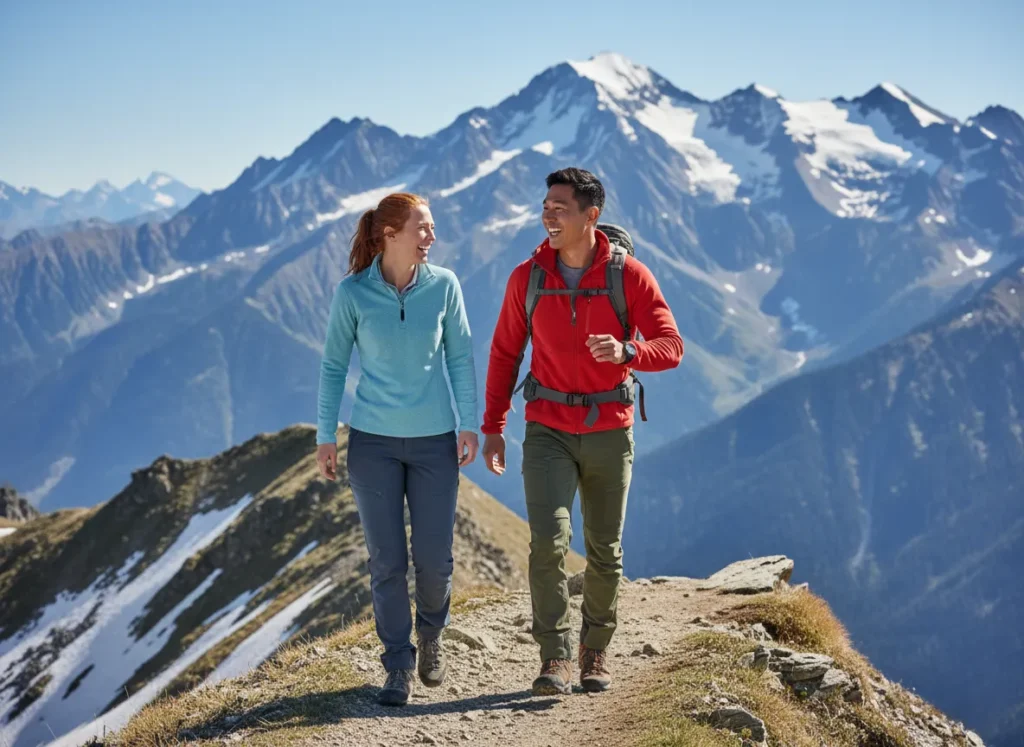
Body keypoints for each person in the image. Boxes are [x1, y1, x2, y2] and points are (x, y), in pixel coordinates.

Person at [481, 168, 683, 695]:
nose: (549, 214)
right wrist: (494, 427)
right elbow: (505, 353)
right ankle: (555, 657)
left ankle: (596, 650)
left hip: (609, 428)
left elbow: (672, 345)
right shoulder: (527, 278)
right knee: (547, 543)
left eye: (560, 206)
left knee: (603, 549)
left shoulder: (629, 276)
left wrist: (628, 351)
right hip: (546, 427)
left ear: (591, 216)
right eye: (546, 204)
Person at [315, 192, 479, 707]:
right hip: (372, 444)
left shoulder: (445, 286)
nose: (432, 237)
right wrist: (326, 435)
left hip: (434, 443)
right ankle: (397, 666)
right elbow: (333, 367)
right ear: (390, 234)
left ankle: (431, 636)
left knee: (433, 560)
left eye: (431, 228)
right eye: (423, 228)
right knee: (386, 561)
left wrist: (468, 424)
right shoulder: (353, 294)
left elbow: (461, 357)